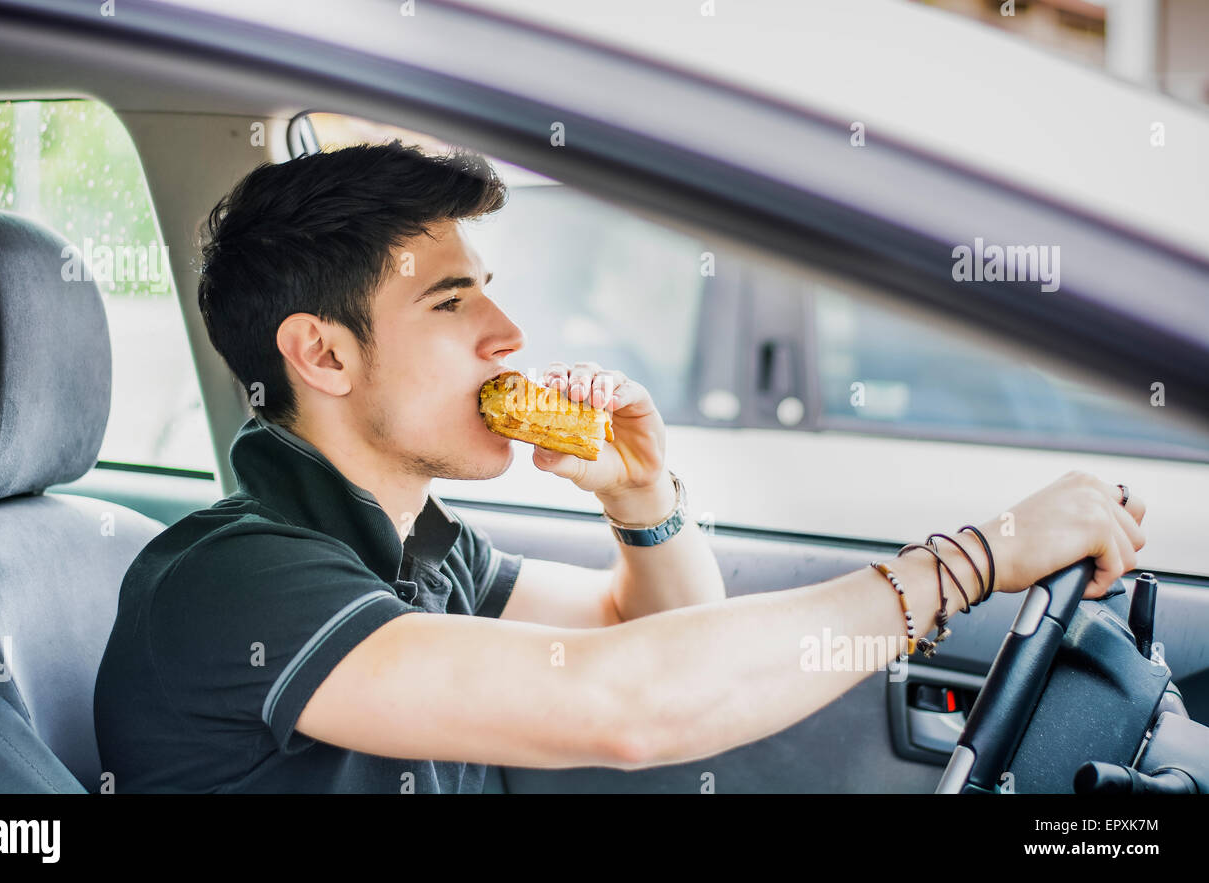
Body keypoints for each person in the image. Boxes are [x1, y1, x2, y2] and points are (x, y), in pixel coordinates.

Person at [92, 140, 1147, 792]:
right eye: (452, 302)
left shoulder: (419, 551)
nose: (508, 332)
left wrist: (640, 498)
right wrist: (972, 560)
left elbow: (651, 639)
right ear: (321, 352)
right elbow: (630, 709)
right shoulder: (238, 579)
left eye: (491, 291)